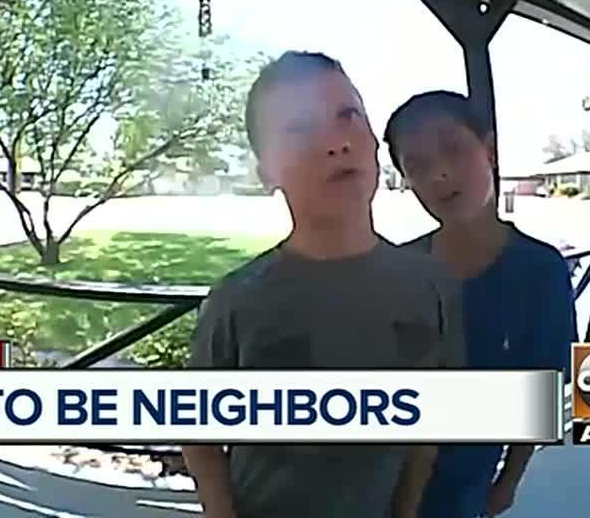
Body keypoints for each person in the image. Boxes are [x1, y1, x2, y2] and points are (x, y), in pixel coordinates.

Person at [183, 51, 464, 518]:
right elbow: (199, 436)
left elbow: (430, 427)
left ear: (373, 140)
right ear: (267, 172)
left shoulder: (433, 287)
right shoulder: (237, 301)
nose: (336, 143)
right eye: (300, 129)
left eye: (348, 116)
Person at [382, 91, 577, 518]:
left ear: (488, 151)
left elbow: (545, 386)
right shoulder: (395, 270)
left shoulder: (541, 271)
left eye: (452, 148)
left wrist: (508, 480)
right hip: (374, 486)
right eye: (417, 166)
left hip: (463, 489)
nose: (440, 173)